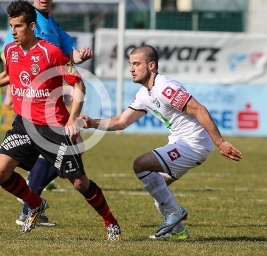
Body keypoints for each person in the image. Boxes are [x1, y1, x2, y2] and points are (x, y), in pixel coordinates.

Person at [0, 0, 121, 242]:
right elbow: (7, 75)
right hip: (24, 124)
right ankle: (35, 204)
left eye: (18, 26)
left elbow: (78, 83)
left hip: (54, 127)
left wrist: (73, 118)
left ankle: (111, 222)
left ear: (32, 27)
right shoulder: (10, 51)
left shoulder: (51, 53)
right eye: (11, 26)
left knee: (78, 182)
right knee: (0, 171)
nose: (13, 32)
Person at [81, 45, 242, 240]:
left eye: (136, 64)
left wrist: (221, 143)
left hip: (193, 143)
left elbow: (199, 110)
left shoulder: (166, 88)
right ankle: (178, 231)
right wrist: (92, 123)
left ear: (152, 65)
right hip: (182, 142)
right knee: (159, 190)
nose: (131, 69)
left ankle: (174, 214)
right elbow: (121, 122)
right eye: (130, 64)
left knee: (141, 165)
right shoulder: (144, 94)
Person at [1, 0, 93, 227]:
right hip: (35, 103)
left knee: (58, 151)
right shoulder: (26, 21)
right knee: (62, 151)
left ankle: (30, 205)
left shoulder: (52, 24)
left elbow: (69, 55)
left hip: (53, 102)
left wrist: (80, 56)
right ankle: (29, 206)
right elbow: (10, 57)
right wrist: (10, 89)